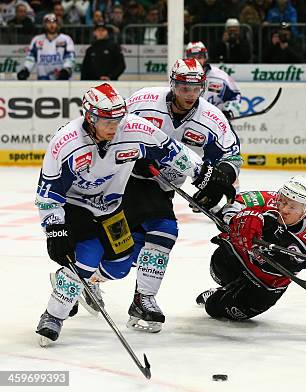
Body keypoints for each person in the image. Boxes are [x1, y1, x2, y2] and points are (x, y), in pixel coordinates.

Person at [34, 83, 213, 346]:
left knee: (119, 266)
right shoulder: (66, 142)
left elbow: (172, 150)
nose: (114, 126)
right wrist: (55, 229)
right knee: (86, 257)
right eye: (107, 120)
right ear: (89, 116)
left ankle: (72, 281)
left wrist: (203, 174)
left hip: (111, 206)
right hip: (75, 207)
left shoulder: (134, 128)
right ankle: (53, 316)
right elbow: (48, 193)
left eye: (118, 118)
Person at [115, 58, 241, 332]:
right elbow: (111, 126)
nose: (190, 94)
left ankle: (143, 298)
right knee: (116, 253)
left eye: (196, 88)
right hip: (120, 180)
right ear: (172, 84)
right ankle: (80, 280)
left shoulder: (211, 118)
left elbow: (232, 156)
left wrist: (219, 180)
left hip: (160, 187)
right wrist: (129, 151)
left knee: (162, 233)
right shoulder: (143, 100)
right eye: (184, 87)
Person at [196, 176, 306, 345]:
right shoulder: (268, 201)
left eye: (292, 206)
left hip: (265, 286)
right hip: (237, 259)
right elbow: (235, 203)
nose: (283, 208)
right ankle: (226, 286)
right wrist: (241, 217)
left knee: (214, 308)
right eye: (282, 201)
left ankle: (219, 295)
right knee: (217, 267)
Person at [185, 41, 242, 120]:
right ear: (186, 59)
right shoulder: (180, 77)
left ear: (205, 57)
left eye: (200, 57)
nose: (196, 61)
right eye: (192, 57)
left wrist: (229, 110)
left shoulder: (220, 76)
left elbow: (235, 96)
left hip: (214, 124)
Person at [16, 13, 75, 80]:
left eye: (54, 22)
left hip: (62, 78)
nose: (51, 25)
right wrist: (26, 69)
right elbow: (30, 58)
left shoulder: (66, 39)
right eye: (48, 22)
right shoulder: (37, 40)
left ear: (58, 24)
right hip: (43, 79)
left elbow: (70, 58)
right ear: (44, 24)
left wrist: (66, 70)